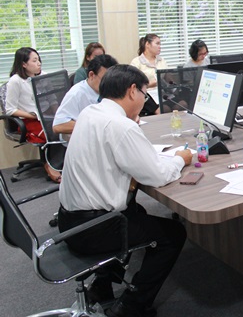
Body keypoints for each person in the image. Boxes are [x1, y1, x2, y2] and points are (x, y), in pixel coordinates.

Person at [57, 64, 192, 317]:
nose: (144, 99)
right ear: (132, 91)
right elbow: (157, 175)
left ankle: (101, 286)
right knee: (173, 234)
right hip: (92, 229)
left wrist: (131, 123)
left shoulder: (90, 113)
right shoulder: (120, 126)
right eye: (144, 93)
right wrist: (180, 159)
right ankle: (131, 307)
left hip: (69, 221)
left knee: (135, 211)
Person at [5, 47, 61, 183]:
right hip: (29, 119)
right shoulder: (15, 81)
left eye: (39, 60)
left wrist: (59, 114)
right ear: (24, 64)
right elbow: (10, 110)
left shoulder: (43, 76)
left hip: (46, 116)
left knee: (64, 129)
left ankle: (61, 163)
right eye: (34, 61)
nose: (39, 63)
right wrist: (33, 116)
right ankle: (51, 165)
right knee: (52, 133)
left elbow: (52, 99)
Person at [53, 54, 118, 136]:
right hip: (84, 139)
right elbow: (58, 126)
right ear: (91, 75)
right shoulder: (76, 94)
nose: (108, 84)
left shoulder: (109, 91)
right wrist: (94, 126)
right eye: (104, 80)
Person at [131, 34, 164, 115]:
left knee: (180, 103)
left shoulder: (162, 60)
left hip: (162, 93)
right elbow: (134, 86)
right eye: (157, 43)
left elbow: (168, 78)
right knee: (159, 109)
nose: (160, 47)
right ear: (147, 44)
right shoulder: (136, 62)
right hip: (146, 94)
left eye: (160, 44)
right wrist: (149, 85)